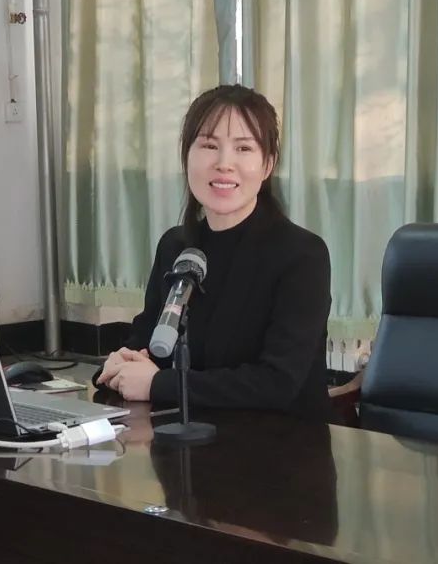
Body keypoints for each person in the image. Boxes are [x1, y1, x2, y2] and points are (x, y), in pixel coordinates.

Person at [94, 84, 332, 420]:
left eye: (243, 148)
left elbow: (277, 384)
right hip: (184, 436)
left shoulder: (302, 255)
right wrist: (119, 364)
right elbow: (146, 340)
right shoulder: (176, 246)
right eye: (209, 145)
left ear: (267, 165)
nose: (224, 164)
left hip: (280, 442)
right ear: (187, 156)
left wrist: (159, 384)